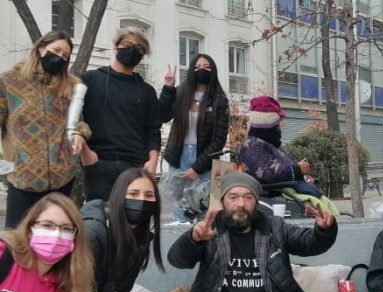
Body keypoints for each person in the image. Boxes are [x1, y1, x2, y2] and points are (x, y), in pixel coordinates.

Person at [167, 170, 336, 292]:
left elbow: (309, 243)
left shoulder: (274, 227)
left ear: (256, 201)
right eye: (233, 197)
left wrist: (323, 230)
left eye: (248, 197)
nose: (240, 203)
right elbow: (177, 260)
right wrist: (193, 239)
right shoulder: (209, 228)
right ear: (222, 201)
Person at [0, 30, 94, 228]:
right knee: (16, 241)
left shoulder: (70, 86)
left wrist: (79, 133)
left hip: (62, 176)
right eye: (56, 50)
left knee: (57, 240)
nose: (59, 57)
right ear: (41, 47)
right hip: (23, 177)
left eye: (65, 55)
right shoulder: (9, 80)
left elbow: (79, 122)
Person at [77, 168, 164, 292]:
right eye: (133, 193)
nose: (141, 200)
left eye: (148, 195)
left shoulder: (139, 237)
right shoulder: (94, 235)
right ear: (118, 196)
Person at [80, 27, 162, 201]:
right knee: (99, 221)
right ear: (115, 48)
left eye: (139, 48)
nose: (133, 49)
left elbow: (153, 130)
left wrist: (153, 160)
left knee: (133, 223)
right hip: (98, 165)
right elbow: (72, 119)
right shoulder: (90, 80)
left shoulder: (147, 91)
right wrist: (85, 153)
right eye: (127, 44)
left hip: (135, 167)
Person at [0, 193, 94, 292]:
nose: (56, 234)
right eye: (47, 225)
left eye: (66, 229)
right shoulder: (4, 255)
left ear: (75, 240)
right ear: (30, 229)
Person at [237, 95, 340, 216]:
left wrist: (303, 175)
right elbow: (266, 174)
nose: (279, 127)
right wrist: (297, 170)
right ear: (269, 122)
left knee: (323, 203)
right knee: (320, 205)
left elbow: (283, 166)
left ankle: (332, 224)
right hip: (277, 192)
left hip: (287, 188)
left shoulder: (271, 143)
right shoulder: (250, 145)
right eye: (278, 123)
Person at [158, 54, 229, 225]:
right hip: (179, 156)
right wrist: (168, 88)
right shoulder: (181, 93)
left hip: (205, 159)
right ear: (191, 70)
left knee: (204, 208)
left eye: (206, 67)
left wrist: (197, 168)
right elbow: (162, 116)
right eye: (197, 67)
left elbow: (219, 139)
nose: (201, 70)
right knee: (179, 208)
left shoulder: (220, 100)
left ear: (213, 71)